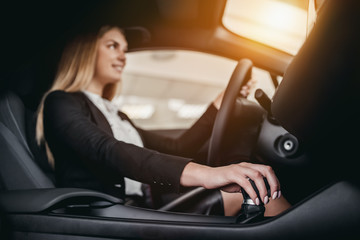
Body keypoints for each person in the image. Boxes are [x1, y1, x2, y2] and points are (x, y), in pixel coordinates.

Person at [36, 25, 290, 216]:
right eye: (113, 46)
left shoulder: (117, 114)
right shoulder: (60, 101)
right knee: (259, 196)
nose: (123, 56)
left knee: (253, 192)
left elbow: (179, 147)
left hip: (144, 207)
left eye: (125, 49)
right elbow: (107, 150)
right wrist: (207, 174)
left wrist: (217, 104)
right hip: (108, 214)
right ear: (85, 51)